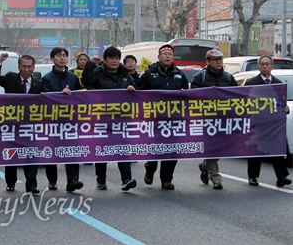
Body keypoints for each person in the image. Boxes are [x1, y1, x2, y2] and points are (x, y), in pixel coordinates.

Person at [81, 46, 138, 192]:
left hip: (121, 119)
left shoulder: (125, 74)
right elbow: (87, 81)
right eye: (111, 58)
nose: (114, 61)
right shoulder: (97, 73)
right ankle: (101, 179)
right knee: (102, 148)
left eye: (117, 58)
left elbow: (136, 88)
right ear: (105, 60)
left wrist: (132, 88)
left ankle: (126, 179)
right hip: (102, 118)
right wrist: (90, 65)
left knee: (123, 148)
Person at [0, 52, 43, 194]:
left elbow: (50, 98)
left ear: (33, 67)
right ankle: (10, 182)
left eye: (29, 67)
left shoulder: (39, 84)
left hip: (30, 126)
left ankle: (31, 185)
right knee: (12, 154)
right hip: (11, 124)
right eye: (24, 67)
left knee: (31, 154)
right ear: (19, 67)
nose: (26, 70)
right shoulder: (10, 78)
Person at [139, 44, 189, 190]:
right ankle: (150, 168)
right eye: (164, 54)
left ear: (173, 58)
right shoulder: (149, 73)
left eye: (170, 54)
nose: (167, 56)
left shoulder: (179, 74)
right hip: (154, 119)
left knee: (172, 149)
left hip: (174, 119)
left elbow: (187, 94)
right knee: (154, 148)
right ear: (159, 57)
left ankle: (166, 179)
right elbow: (140, 93)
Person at [190, 49, 238, 190]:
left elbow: (237, 96)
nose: (218, 62)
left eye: (220, 59)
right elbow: (193, 95)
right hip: (207, 120)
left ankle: (205, 165)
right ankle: (215, 177)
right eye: (215, 60)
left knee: (222, 147)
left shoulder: (229, 78)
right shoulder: (200, 78)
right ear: (208, 62)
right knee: (212, 147)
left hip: (225, 120)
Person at [244, 55, 292, 188]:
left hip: (274, 124)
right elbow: (245, 102)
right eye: (262, 64)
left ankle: (281, 177)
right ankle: (253, 176)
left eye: (267, 64)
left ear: (272, 66)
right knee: (256, 150)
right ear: (258, 66)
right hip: (257, 123)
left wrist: (286, 109)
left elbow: (281, 103)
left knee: (278, 149)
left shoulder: (278, 83)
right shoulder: (251, 83)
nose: (265, 66)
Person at [41, 47, 83, 192]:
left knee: (72, 150)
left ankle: (72, 181)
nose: (62, 58)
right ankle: (52, 180)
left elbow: (80, 97)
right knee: (52, 151)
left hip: (70, 121)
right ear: (52, 59)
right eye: (59, 56)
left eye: (65, 56)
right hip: (52, 121)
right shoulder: (46, 78)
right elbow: (46, 97)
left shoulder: (73, 78)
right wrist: (61, 95)